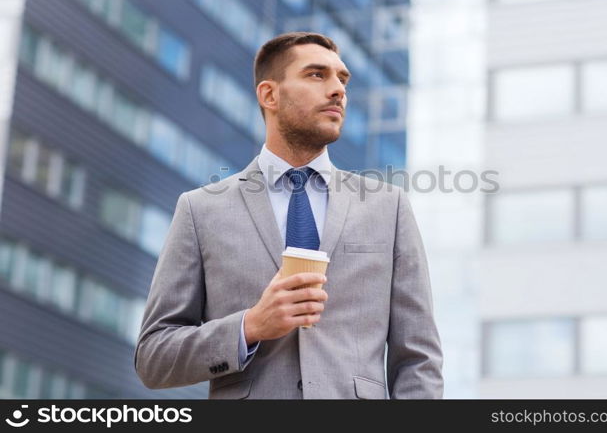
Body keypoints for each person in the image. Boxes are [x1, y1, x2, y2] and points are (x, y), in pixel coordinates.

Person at [134, 32, 443, 399]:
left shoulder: (387, 207)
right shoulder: (201, 210)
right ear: (269, 95)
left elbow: (418, 359)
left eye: (342, 79)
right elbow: (153, 357)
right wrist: (250, 327)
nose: (337, 90)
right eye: (317, 75)